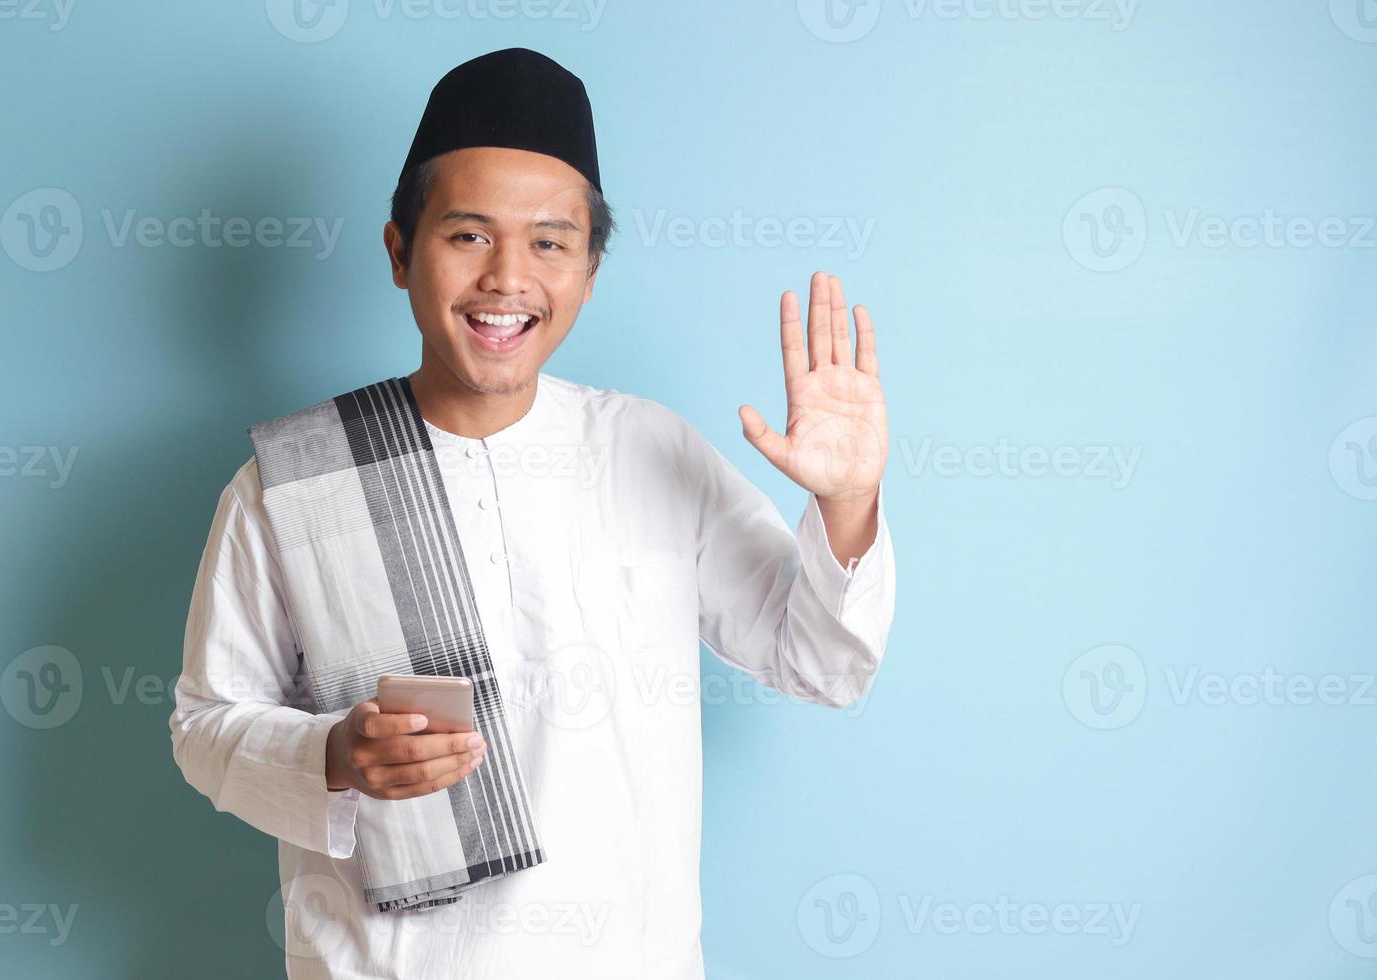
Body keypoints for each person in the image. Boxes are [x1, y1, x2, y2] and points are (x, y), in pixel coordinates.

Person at [169, 47, 895, 980]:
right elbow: (205, 727)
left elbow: (823, 662)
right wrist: (334, 754)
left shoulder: (652, 449)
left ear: (590, 271)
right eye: (468, 235)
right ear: (400, 251)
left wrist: (846, 501)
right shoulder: (292, 482)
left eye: (550, 242)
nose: (507, 277)